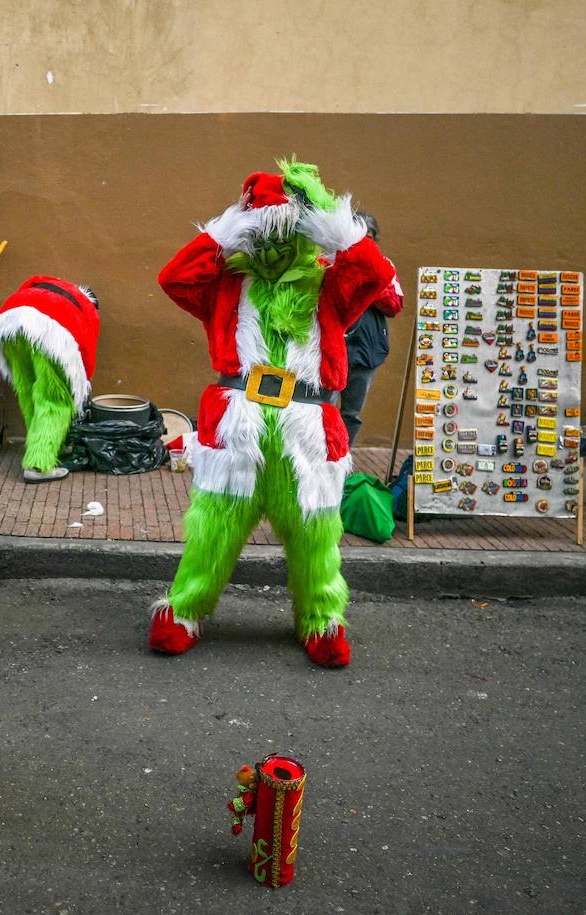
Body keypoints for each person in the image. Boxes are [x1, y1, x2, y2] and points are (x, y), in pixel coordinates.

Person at [148, 159, 397, 668]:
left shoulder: (327, 287)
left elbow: (374, 273)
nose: (274, 246)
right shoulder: (226, 286)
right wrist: (230, 229)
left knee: (316, 535)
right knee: (212, 529)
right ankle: (184, 611)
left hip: (306, 427)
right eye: (264, 233)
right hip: (238, 421)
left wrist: (328, 219)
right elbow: (174, 278)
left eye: (287, 232)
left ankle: (322, 618)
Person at [0, 276, 101, 482]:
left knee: (29, 391)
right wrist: (81, 388)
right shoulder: (87, 309)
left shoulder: (57, 288)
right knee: (56, 398)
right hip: (49, 330)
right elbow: (86, 357)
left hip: (9, 323)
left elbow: (27, 284)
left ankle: (46, 445)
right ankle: (38, 465)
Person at [338, 212, 404, 445]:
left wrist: (372, 280)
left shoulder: (385, 266)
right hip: (335, 349)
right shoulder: (336, 260)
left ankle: (343, 459)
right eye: (360, 236)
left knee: (352, 413)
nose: (366, 241)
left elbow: (395, 304)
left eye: (370, 236)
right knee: (323, 407)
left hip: (368, 350)